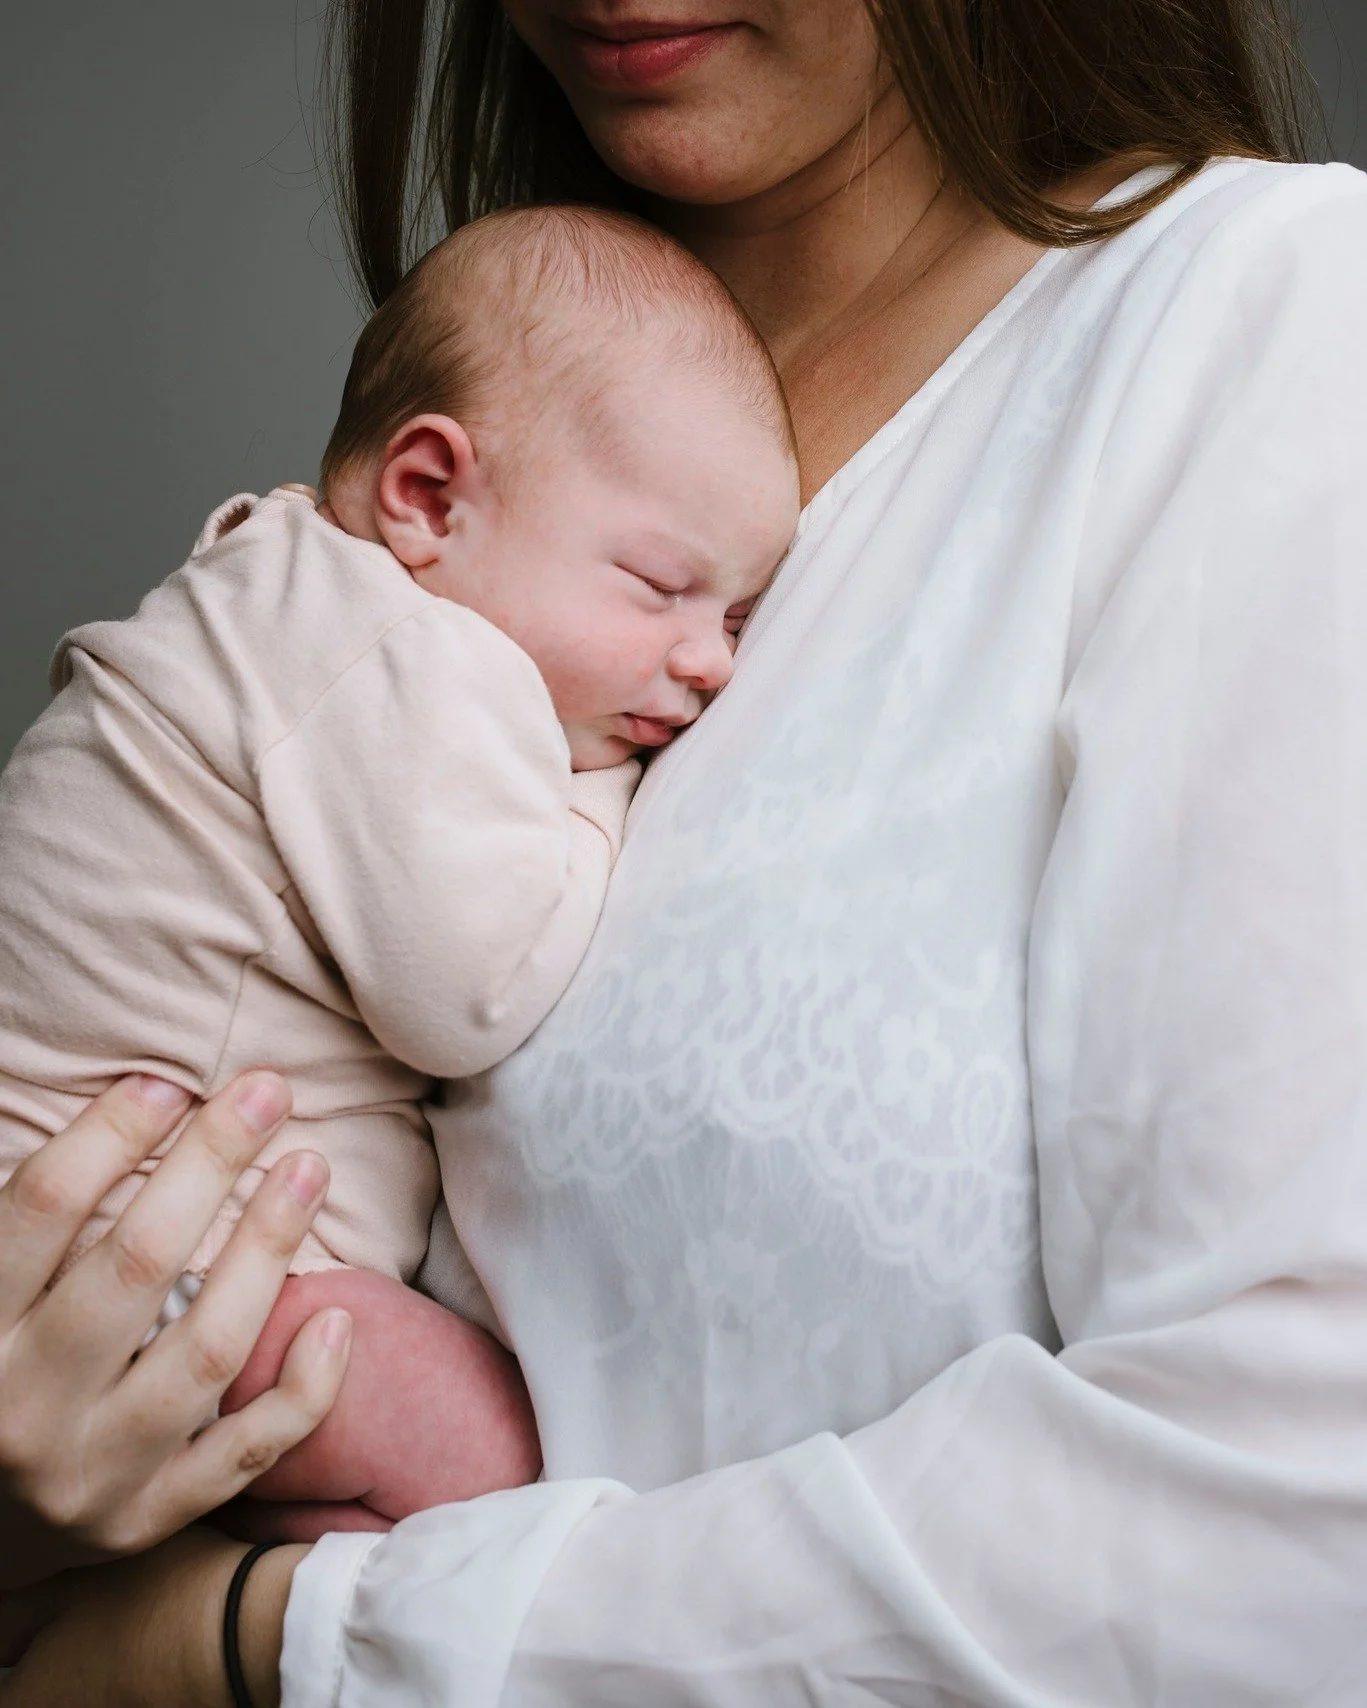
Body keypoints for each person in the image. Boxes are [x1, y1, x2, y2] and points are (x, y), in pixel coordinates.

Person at [4, 0, 1367, 1702]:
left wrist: (255, 1645)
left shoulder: (1265, 337)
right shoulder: (544, 450)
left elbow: (1300, 1520)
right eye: (670, 599)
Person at [0, 206, 797, 1537]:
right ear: (431, 498)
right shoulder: (406, 655)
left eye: (733, 617)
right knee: (483, 1451)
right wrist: (606, 792)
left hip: (106, 1251)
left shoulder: (283, 593)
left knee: (309, 1542)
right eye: (660, 587)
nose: (710, 662)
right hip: (110, 1260)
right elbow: (472, 990)